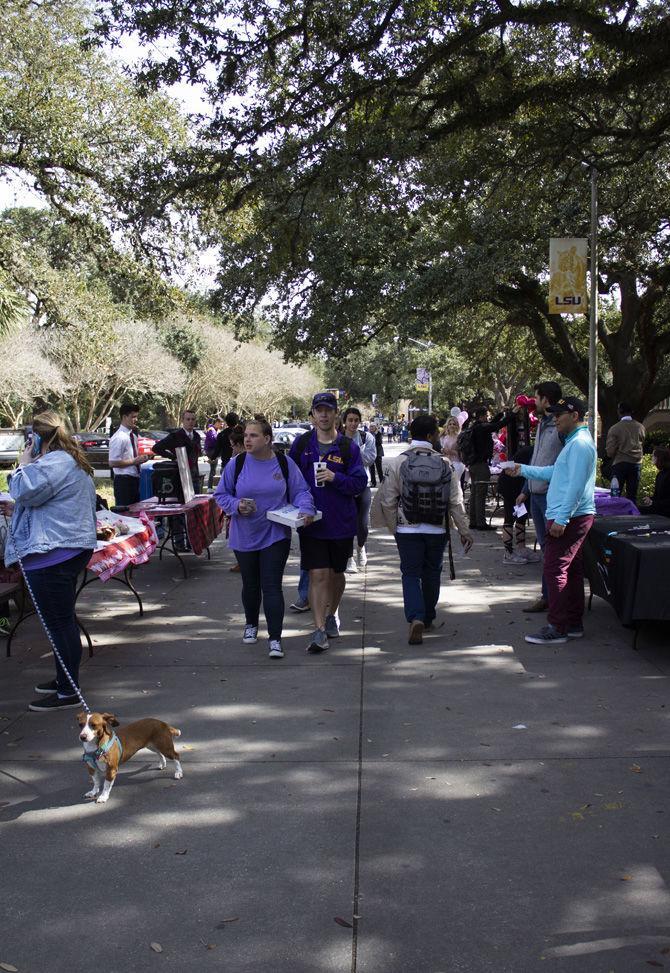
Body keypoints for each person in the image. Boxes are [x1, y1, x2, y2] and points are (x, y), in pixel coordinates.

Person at [2, 411, 96, 712]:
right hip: (63, 548)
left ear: (38, 436)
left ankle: (68, 691)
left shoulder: (54, 461)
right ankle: (63, 679)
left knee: (59, 624)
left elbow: (25, 489)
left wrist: (24, 464)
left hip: (52, 554)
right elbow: (40, 498)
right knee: (62, 621)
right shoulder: (67, 459)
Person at [214, 418, 315, 659]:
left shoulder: (283, 462)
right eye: (246, 435)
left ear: (267, 439)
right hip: (244, 534)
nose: (247, 440)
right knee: (250, 584)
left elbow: (301, 490)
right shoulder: (236, 464)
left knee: (271, 586)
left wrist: (307, 508)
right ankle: (251, 624)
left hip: (275, 534)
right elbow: (221, 495)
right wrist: (237, 505)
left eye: (253, 435)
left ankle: (275, 639)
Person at [372, 413, 473, 644]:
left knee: (410, 574)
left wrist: (394, 528)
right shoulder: (445, 463)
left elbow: (388, 500)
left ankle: (415, 617)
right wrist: (464, 530)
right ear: (430, 436)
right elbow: (455, 501)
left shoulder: (399, 462)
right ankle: (427, 617)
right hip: (437, 530)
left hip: (408, 530)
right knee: (431, 573)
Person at [507, 396, 596, 645]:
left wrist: (562, 518)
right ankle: (572, 623)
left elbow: (576, 486)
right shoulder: (575, 443)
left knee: (556, 569)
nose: (554, 419)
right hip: (571, 515)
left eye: (559, 415)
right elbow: (556, 472)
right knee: (572, 570)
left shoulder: (579, 445)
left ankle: (558, 626)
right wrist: (522, 469)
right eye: (553, 414)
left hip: (569, 517)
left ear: (575, 416)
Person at [288, 392, 367, 653]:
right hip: (311, 524)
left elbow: (359, 483)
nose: (323, 415)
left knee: (336, 575)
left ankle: (332, 613)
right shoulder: (301, 445)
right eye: (318, 410)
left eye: (328, 410)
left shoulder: (348, 448)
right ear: (312, 415)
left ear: (336, 414)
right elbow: (290, 481)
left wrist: (335, 477)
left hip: (341, 523)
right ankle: (319, 629)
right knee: (317, 574)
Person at [514, 381, 563, 610]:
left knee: (553, 551)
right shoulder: (543, 424)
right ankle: (547, 596)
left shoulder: (562, 426)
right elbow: (536, 459)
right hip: (535, 495)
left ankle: (555, 599)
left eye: (536, 397)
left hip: (550, 497)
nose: (534, 401)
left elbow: (560, 466)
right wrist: (526, 489)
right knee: (545, 549)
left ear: (546, 399)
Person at [342, 407, 376, 572]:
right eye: (350, 420)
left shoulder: (366, 437)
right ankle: (349, 558)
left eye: (356, 420)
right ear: (345, 421)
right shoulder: (338, 438)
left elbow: (370, 458)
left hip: (363, 485)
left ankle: (361, 547)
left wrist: (351, 454)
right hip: (344, 486)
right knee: (347, 523)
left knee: (362, 524)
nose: (353, 423)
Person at [465, 406, 508, 530]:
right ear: (482, 416)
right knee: (480, 494)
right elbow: (496, 426)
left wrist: (501, 413)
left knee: (474, 493)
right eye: (486, 416)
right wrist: (511, 415)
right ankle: (480, 523)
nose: (488, 418)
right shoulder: (481, 428)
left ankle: (473, 521)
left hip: (473, 464)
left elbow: (492, 424)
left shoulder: (476, 427)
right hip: (480, 465)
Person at [108, 401, 151, 506]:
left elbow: (132, 457)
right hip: (123, 482)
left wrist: (142, 459)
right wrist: (134, 461)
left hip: (135, 480)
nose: (136, 420)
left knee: (136, 513)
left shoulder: (133, 436)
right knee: (126, 514)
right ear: (124, 417)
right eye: (133, 417)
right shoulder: (118, 438)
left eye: (136, 417)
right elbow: (112, 463)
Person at [152, 408, 203, 492]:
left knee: (196, 502)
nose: (190, 421)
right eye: (188, 419)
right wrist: (173, 457)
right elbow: (156, 448)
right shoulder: (175, 436)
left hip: (195, 476)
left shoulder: (197, 436)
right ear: (183, 420)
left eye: (193, 419)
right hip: (180, 477)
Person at [605, 402, 646, 503]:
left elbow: (610, 451)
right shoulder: (640, 427)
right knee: (632, 496)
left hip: (620, 463)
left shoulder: (615, 428)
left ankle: (615, 516)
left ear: (619, 412)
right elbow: (643, 442)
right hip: (636, 464)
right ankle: (633, 515)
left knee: (615, 495)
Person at [639, 446, 670, 516]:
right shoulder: (660, 474)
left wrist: (653, 503)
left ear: (660, 458)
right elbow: (657, 496)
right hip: (660, 508)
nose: (652, 457)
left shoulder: (668, 475)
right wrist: (649, 499)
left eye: (653, 456)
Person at [440, 416, 465, 483]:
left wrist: (451, 451)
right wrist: (443, 451)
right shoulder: (445, 437)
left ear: (457, 426)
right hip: (446, 463)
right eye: (450, 424)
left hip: (457, 463)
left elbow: (462, 453)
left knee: (455, 483)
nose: (452, 426)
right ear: (447, 426)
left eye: (454, 424)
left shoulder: (459, 438)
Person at [204, 417, 223, 491]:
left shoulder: (216, 430)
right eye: (221, 423)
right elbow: (214, 441)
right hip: (211, 451)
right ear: (217, 422)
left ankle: (210, 487)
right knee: (213, 469)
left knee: (213, 469)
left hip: (214, 451)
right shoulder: (211, 430)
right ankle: (209, 487)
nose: (222, 425)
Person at [369, 422, 385, 488]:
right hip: (371, 453)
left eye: (372, 426)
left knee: (379, 468)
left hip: (378, 453)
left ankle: (382, 481)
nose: (371, 428)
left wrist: (372, 440)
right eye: (370, 426)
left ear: (375, 427)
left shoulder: (378, 434)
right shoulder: (368, 434)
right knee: (371, 468)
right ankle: (373, 482)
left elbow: (380, 442)